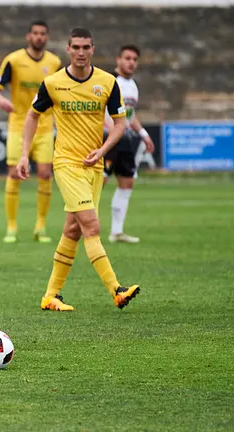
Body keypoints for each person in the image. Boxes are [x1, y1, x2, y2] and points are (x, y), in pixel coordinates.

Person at [15, 28, 141, 312]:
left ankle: (50, 295)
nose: (81, 52)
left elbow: (120, 123)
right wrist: (24, 154)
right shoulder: (53, 83)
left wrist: (103, 150)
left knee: (73, 230)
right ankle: (116, 289)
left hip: (94, 165)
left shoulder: (107, 82)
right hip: (66, 164)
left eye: (86, 47)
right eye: (76, 47)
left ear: (93, 49)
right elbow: (32, 115)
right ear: (68, 49)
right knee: (92, 226)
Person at [0, 20, 62, 244]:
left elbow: (61, 93)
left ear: (47, 37)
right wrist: (1, 100)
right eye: (35, 33)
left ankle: (40, 225)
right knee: (14, 174)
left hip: (45, 126)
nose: (39, 37)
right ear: (28, 36)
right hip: (18, 125)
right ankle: (11, 226)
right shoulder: (13, 60)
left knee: (45, 174)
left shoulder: (54, 62)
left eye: (43, 34)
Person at [103, 45, 155, 244]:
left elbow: (129, 116)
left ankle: (117, 232)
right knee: (98, 183)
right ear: (118, 60)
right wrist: (112, 129)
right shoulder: (109, 81)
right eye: (127, 58)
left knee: (127, 183)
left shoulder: (133, 86)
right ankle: (81, 228)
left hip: (125, 140)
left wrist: (143, 134)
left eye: (134, 59)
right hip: (107, 139)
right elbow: (98, 111)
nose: (131, 62)